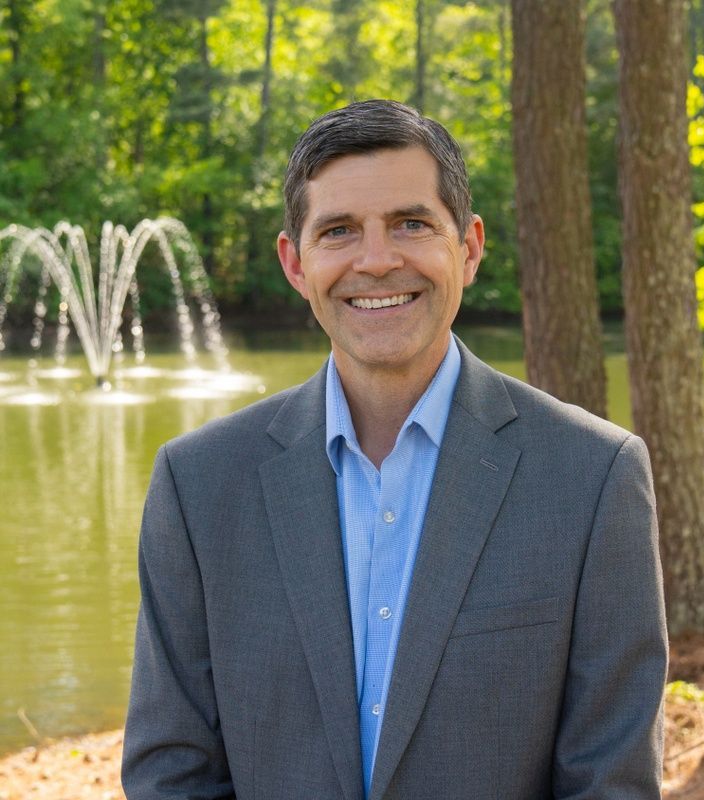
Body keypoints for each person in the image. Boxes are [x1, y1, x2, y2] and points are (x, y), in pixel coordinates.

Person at [122, 99, 668, 800]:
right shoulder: (197, 485)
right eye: (340, 231)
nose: (376, 261)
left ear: (468, 248)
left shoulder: (594, 477)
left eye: (411, 224)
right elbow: (172, 773)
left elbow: (611, 782)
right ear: (296, 263)